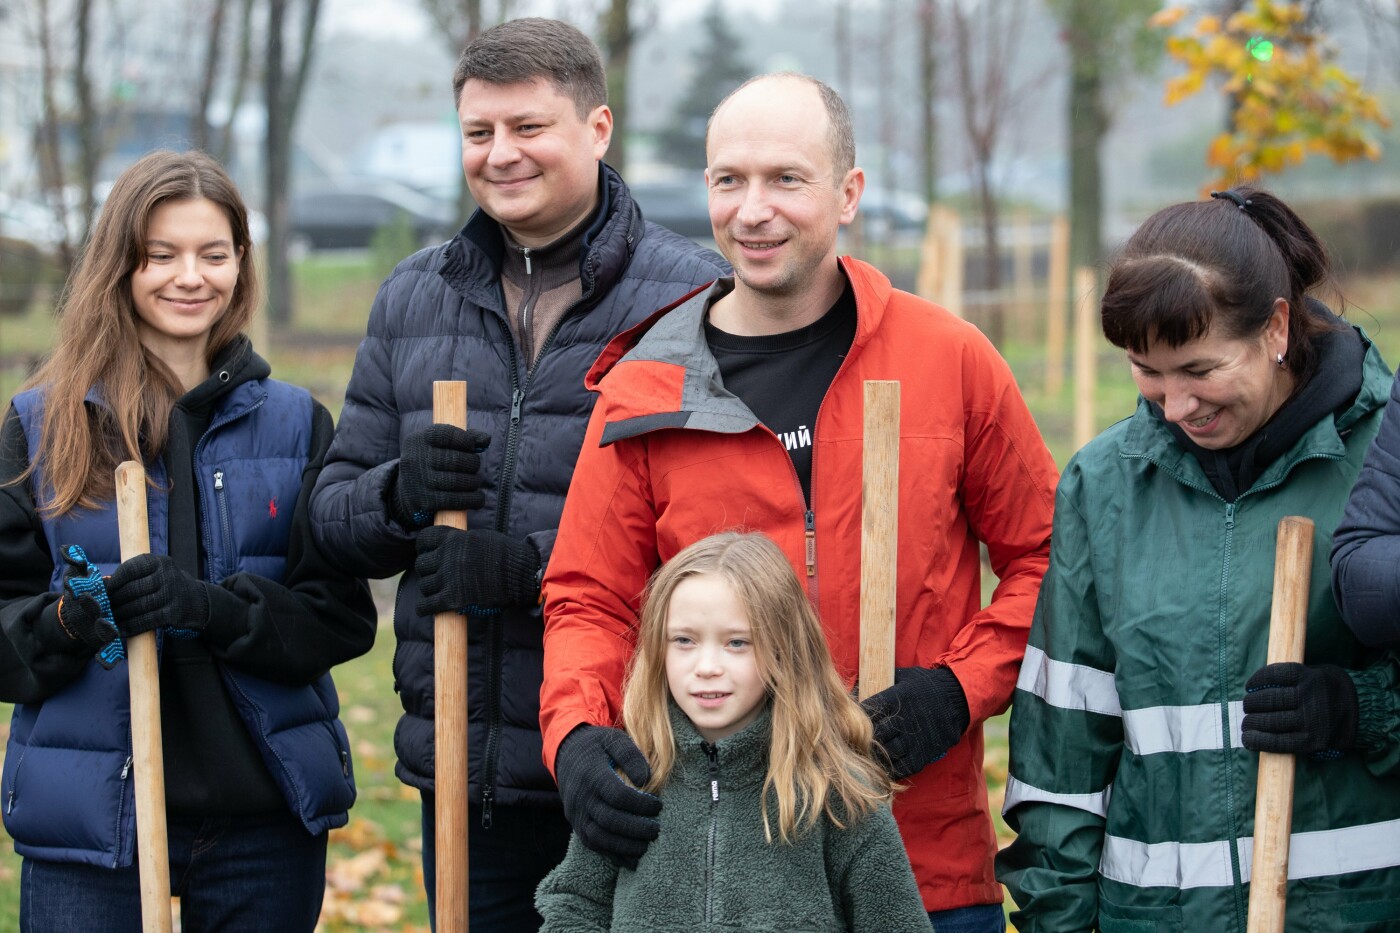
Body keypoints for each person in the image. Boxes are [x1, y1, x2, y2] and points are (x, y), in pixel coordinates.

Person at [539, 72, 1059, 932]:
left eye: (787, 179)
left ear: (849, 193)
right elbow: (586, 596)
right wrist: (578, 734)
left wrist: (959, 690)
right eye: (728, 180)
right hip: (730, 883)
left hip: (923, 857)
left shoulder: (948, 359)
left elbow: (1047, 559)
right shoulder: (647, 390)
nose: (752, 210)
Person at [307, 17, 728, 931]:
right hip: (467, 770)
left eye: (528, 127)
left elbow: (729, 546)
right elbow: (331, 519)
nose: (502, 154)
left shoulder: (690, 299)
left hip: (637, 764)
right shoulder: (415, 296)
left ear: (598, 128)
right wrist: (399, 494)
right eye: (479, 132)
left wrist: (529, 569)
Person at [997, 187, 1400, 932]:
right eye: (1146, 372)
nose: (1174, 405)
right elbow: (1065, 747)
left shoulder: (1385, 458)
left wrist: (1362, 709)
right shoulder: (1104, 483)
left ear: (1276, 328)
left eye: (1199, 370)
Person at [0, 149, 376, 931]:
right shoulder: (42, 426)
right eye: (160, 255)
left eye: (213, 253)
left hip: (260, 819)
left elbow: (338, 621)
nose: (189, 276)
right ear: (120, 266)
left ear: (241, 262)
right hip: (92, 830)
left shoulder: (294, 421)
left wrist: (215, 609)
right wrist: (75, 621)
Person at [534, 531, 929, 931]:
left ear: (783, 649)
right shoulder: (630, 781)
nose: (706, 666)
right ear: (658, 649)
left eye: (737, 643)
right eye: (684, 640)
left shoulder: (838, 792)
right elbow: (575, 903)